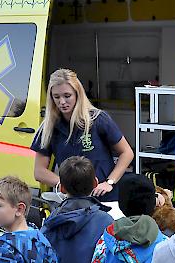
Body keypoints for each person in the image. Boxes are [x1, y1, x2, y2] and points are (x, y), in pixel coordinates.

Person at [31, 68, 134, 202]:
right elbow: (39, 172)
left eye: (67, 96)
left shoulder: (98, 119)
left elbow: (127, 152)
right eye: (56, 97)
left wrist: (109, 182)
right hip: (72, 201)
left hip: (105, 198)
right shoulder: (48, 128)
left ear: (78, 94)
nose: (62, 102)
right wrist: (65, 185)